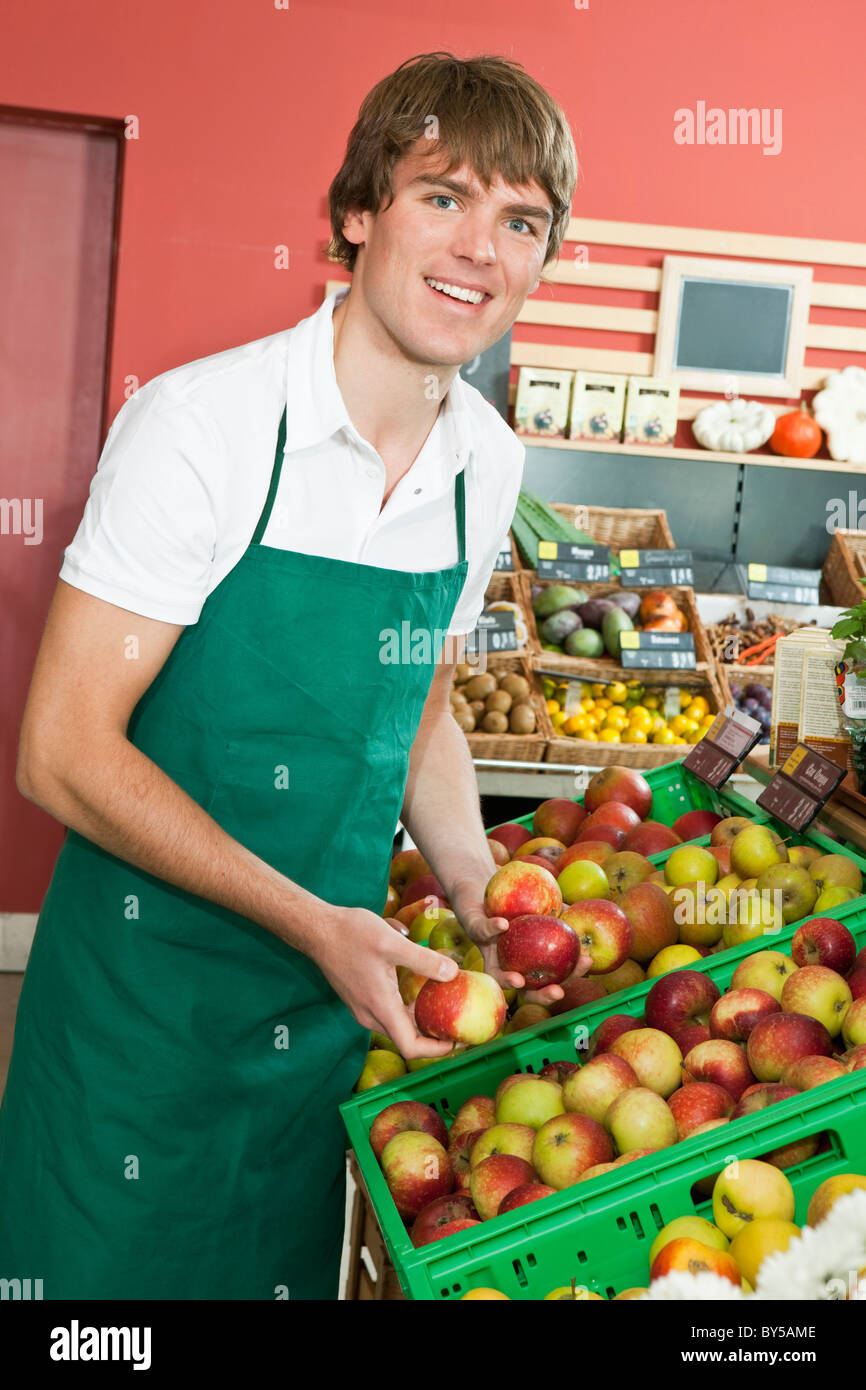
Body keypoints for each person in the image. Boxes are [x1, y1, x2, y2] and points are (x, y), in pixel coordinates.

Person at [0, 51, 579, 1299]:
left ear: (540, 259)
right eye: (443, 196)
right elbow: (60, 750)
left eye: (518, 219)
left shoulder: (488, 461)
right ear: (360, 210)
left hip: (327, 1019)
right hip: (141, 1016)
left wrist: (476, 875)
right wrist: (314, 922)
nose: (479, 246)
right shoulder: (204, 429)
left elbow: (418, 711)